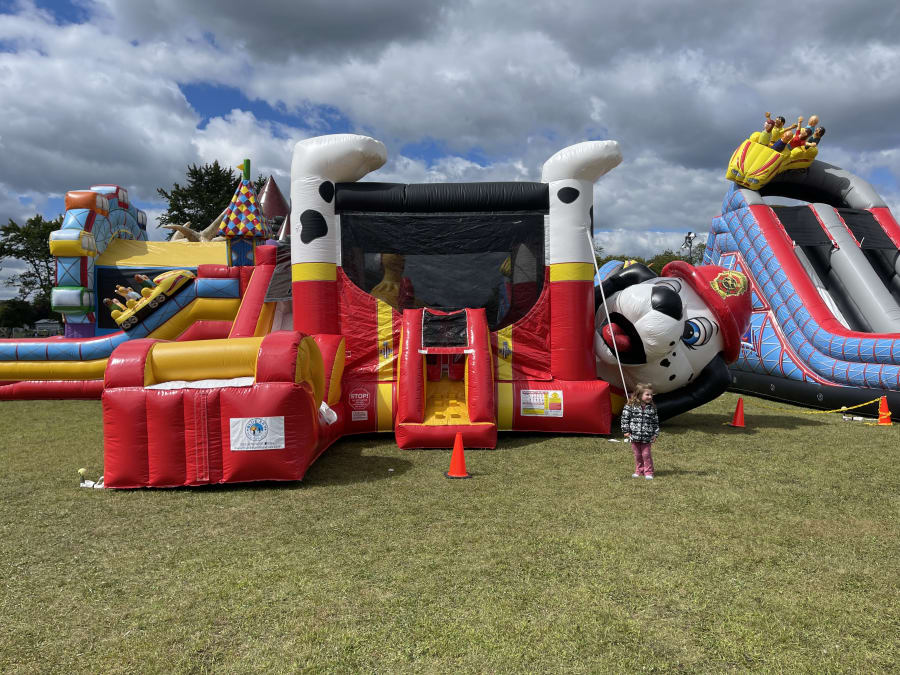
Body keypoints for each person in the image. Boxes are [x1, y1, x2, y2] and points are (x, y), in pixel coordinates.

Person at [621, 382, 660, 480]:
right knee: (638, 455)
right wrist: (626, 431)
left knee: (646, 454)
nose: (650, 397)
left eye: (651, 395)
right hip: (634, 436)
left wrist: (655, 434)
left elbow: (655, 422)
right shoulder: (630, 406)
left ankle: (648, 472)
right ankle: (639, 470)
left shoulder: (652, 408)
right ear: (639, 394)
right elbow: (625, 419)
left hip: (647, 436)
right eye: (647, 394)